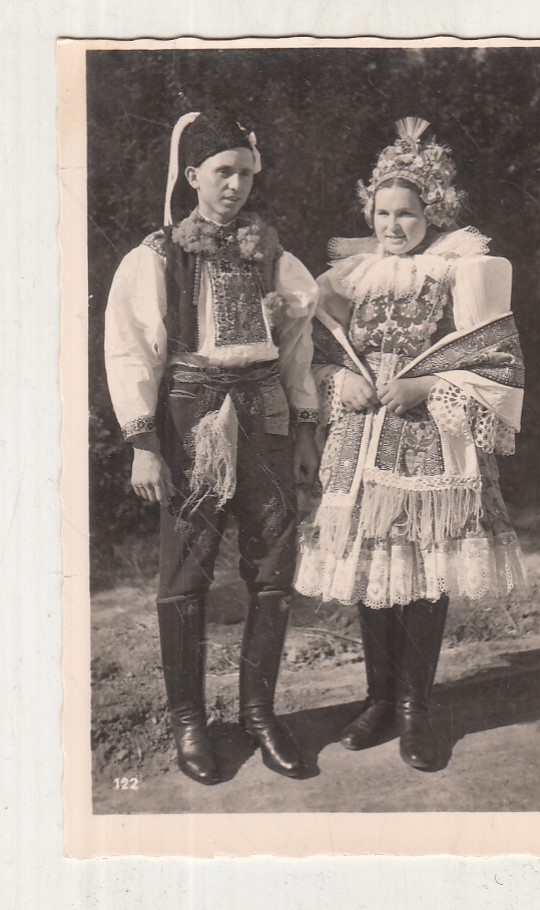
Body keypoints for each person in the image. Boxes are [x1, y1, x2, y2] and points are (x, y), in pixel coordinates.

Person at [295, 118, 526, 771]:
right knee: (373, 567)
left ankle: (414, 709)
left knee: (424, 570)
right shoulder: (348, 276)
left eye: (407, 214)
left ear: (432, 213)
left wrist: (426, 384)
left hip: (431, 438)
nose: (393, 225)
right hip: (363, 438)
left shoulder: (459, 271)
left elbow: (494, 355)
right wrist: (339, 379)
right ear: (368, 213)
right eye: (383, 213)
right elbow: (314, 351)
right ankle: (378, 699)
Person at [104, 110, 320, 785]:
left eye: (246, 173)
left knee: (274, 566)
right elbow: (130, 350)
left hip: (266, 417)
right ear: (192, 175)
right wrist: (143, 442)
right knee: (187, 571)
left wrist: (305, 430)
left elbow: (298, 346)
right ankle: (189, 723)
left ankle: (259, 713)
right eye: (222, 171)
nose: (235, 185)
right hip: (192, 418)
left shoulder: (274, 255)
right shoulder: (156, 256)